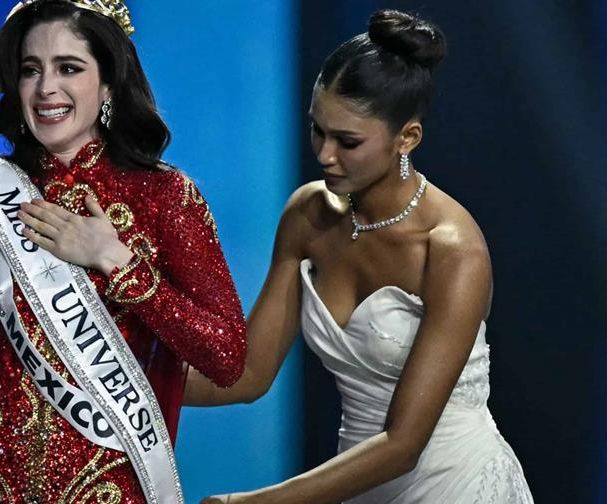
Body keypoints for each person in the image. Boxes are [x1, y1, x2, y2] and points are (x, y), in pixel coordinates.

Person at [0, 1, 246, 503]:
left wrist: (118, 263)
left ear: (109, 82)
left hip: (106, 489)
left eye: (68, 68)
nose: (45, 88)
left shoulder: (165, 198)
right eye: (29, 69)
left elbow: (226, 356)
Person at [184, 10, 533, 504]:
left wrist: (255, 502)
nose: (324, 155)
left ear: (407, 138)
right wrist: (118, 384)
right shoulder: (308, 215)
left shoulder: (452, 248)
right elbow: (248, 374)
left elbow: (403, 446)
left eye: (348, 141)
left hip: (456, 484)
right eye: (317, 130)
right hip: (357, 484)